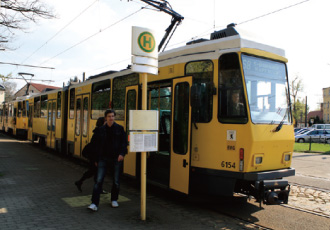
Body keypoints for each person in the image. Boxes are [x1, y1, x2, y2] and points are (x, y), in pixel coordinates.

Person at [88, 109, 127, 211]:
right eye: (109, 116)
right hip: (102, 159)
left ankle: (114, 199)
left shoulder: (120, 129)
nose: (111, 118)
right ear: (106, 118)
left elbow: (124, 143)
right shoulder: (100, 130)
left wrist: (122, 154)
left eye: (113, 116)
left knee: (116, 181)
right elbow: (94, 145)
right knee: (98, 181)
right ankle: (94, 203)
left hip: (116, 159)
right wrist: (95, 159)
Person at [74, 117, 105, 193]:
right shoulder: (99, 133)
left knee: (93, 172)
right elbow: (96, 147)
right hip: (95, 156)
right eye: (105, 121)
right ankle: (97, 188)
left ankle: (80, 182)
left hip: (95, 156)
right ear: (102, 123)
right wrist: (95, 160)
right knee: (95, 172)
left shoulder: (99, 132)